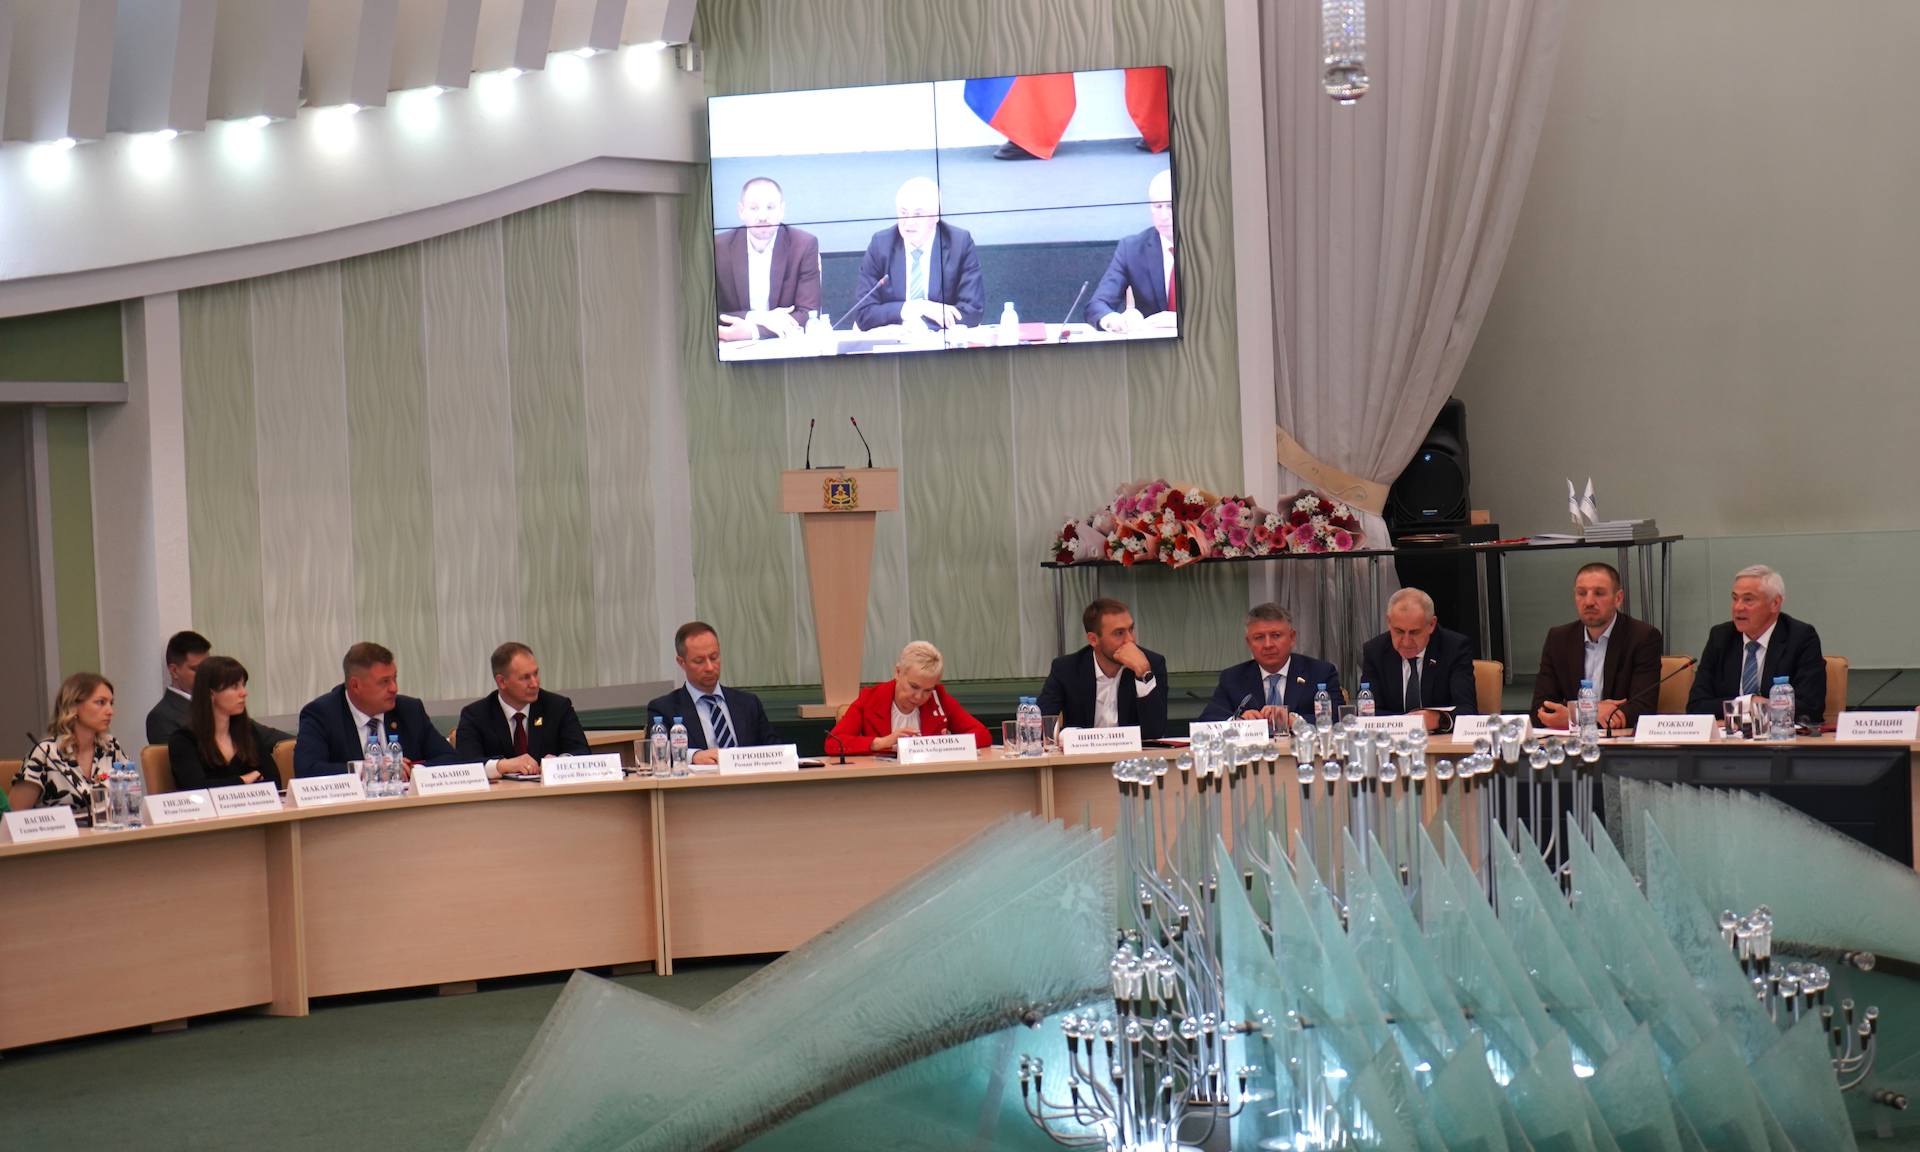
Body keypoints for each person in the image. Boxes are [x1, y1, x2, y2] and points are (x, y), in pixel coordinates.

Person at [1531, 563, 1664, 732]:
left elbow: (1642, 709)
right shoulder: (1559, 638)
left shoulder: (1642, 637)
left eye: (1599, 593)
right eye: (1581, 593)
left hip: (1618, 741)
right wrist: (1593, 712)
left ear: (1618, 598)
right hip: (1571, 742)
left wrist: (1573, 716)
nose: (1589, 602)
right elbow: (1540, 710)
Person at [1686, 565, 1825, 722]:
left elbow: (1810, 709)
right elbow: (1696, 706)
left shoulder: (1801, 638)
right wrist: (1749, 703)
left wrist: (1742, 707)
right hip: (1728, 735)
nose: (1738, 607)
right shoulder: (1720, 637)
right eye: (1735, 598)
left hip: (1777, 735)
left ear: (1775, 603)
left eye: (1748, 599)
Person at [294, 642, 456, 777]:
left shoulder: (410, 710)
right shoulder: (321, 714)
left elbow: (450, 758)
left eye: (394, 678)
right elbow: (307, 770)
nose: (394, 688)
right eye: (384, 681)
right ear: (355, 686)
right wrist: (367, 770)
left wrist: (411, 770)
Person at [849, 177, 985, 332]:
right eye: (903, 213)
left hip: (939, 340)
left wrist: (919, 325)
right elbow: (863, 314)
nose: (908, 222)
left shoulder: (959, 243)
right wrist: (916, 308)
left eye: (918, 214)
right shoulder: (881, 245)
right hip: (893, 342)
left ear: (936, 215)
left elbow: (972, 311)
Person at [646, 622, 781, 765]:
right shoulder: (664, 709)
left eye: (714, 657)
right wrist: (693, 756)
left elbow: (775, 749)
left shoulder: (748, 703)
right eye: (699, 661)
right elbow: (657, 753)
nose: (710, 667)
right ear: (681, 662)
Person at [1037, 598, 1170, 740]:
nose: (1130, 640)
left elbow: (1155, 732)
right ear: (1093, 639)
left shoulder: (1151, 664)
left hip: (1133, 754)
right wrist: (1066, 735)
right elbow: (1039, 726)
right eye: (1119, 633)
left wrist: (1143, 674)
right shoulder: (1067, 669)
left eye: (1131, 629)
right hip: (1084, 753)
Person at [828, 641, 992, 755]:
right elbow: (833, 743)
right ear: (898, 672)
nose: (919, 697)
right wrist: (882, 742)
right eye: (914, 686)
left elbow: (983, 735)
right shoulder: (870, 698)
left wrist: (947, 744)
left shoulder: (938, 698)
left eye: (927, 690)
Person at [454, 642, 590, 777]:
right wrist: (502, 765)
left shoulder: (557, 707)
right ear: (502, 682)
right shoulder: (475, 715)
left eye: (535, 673)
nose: (535, 683)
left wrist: (559, 763)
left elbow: (582, 752)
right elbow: (467, 764)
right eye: (525, 677)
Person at [714, 177, 822, 342]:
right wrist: (758, 318)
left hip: (785, 345)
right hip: (732, 348)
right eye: (754, 208)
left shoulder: (803, 245)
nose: (762, 216)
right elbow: (706, 312)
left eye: (770, 207)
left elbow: (808, 313)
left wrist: (754, 331)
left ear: (781, 210)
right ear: (741, 211)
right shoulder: (719, 247)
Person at [1197, 603, 1343, 725]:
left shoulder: (1320, 672)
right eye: (1259, 637)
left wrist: (1293, 720)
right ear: (1249, 642)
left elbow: (1339, 718)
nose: (1268, 645)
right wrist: (1237, 721)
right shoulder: (1233, 678)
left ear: (1292, 637)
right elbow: (1207, 721)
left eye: (1276, 636)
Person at [1358, 588, 1476, 732]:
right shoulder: (1375, 651)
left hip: (1440, 739)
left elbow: (1467, 710)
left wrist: (1439, 719)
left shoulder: (1454, 648)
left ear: (1431, 624)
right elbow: (1368, 712)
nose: (1406, 642)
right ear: (1389, 622)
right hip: (1391, 740)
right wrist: (1407, 723)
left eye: (1414, 632)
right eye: (1399, 631)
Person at [14, 673, 123, 820]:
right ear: (74, 706)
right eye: (100, 702)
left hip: (106, 831)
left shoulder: (111, 747)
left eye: (111, 703)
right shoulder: (46, 753)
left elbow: (128, 798)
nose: (110, 711)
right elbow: (13, 817)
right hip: (57, 833)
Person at [167, 656, 283, 791]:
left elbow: (274, 782)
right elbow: (196, 788)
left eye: (243, 685)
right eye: (234, 686)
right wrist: (242, 780)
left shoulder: (247, 731)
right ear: (211, 693)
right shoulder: (184, 740)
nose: (244, 693)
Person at [1086, 169, 1177, 335]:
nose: (1163, 215)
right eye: (1157, 206)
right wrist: (1113, 320)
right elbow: (1097, 305)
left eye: (1170, 206)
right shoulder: (1132, 249)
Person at [145, 630, 209, 744]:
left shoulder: (216, 702)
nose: (206, 674)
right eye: (197, 669)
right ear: (174, 671)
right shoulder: (161, 717)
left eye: (208, 667)